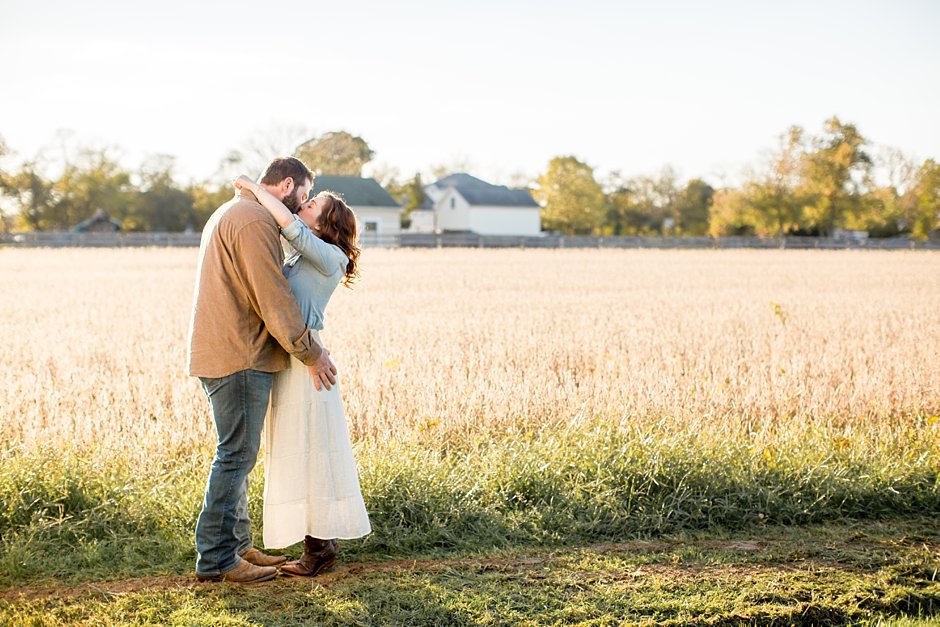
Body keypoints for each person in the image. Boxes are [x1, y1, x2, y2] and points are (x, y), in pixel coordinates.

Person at [187, 157, 338, 584]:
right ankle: (218, 560)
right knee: (235, 456)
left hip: (228, 351)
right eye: (304, 195)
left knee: (238, 454)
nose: (302, 204)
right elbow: (273, 298)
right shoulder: (253, 221)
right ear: (287, 185)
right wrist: (312, 352)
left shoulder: (238, 211)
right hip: (239, 354)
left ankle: (237, 547)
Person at [234, 174, 372, 577]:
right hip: (295, 360)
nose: (304, 205)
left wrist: (256, 188)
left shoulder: (332, 257)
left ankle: (319, 550)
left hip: (308, 367)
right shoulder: (303, 255)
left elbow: (287, 225)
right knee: (298, 448)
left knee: (312, 450)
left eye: (313, 205)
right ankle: (316, 546)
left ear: (322, 224)